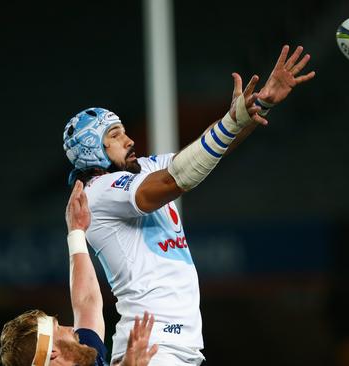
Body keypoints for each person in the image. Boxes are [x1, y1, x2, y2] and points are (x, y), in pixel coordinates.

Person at [62, 45, 316, 365]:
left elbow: (199, 155)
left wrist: (257, 106)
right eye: (115, 135)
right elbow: (176, 179)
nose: (129, 140)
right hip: (150, 348)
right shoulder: (99, 192)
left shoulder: (142, 169)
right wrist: (231, 121)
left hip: (173, 346)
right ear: (91, 150)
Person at [0, 181, 159, 366]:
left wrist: (76, 231)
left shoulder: (85, 355)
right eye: (59, 328)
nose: (71, 328)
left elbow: (86, 302)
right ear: (52, 353)